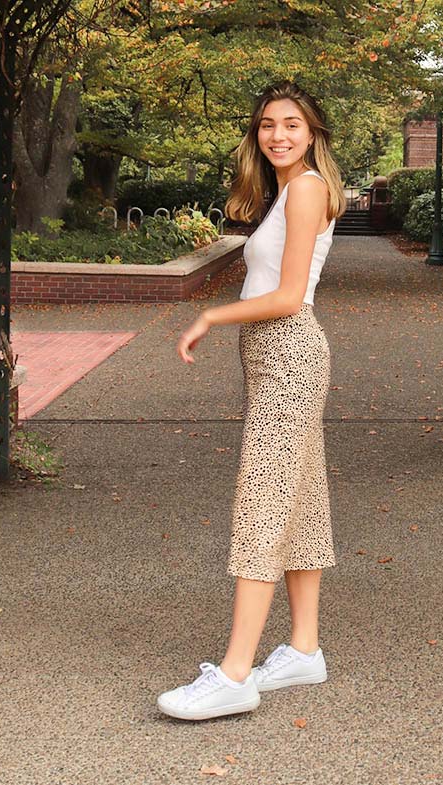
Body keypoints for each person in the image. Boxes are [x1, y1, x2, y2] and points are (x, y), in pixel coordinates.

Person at [157, 80, 346, 722]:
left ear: (313, 131)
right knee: (301, 498)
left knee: (262, 501)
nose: (279, 135)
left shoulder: (309, 187)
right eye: (268, 124)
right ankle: (303, 649)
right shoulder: (287, 191)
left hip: (289, 350)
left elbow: (291, 295)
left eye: (292, 123)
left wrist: (212, 315)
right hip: (277, 355)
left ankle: (237, 673)